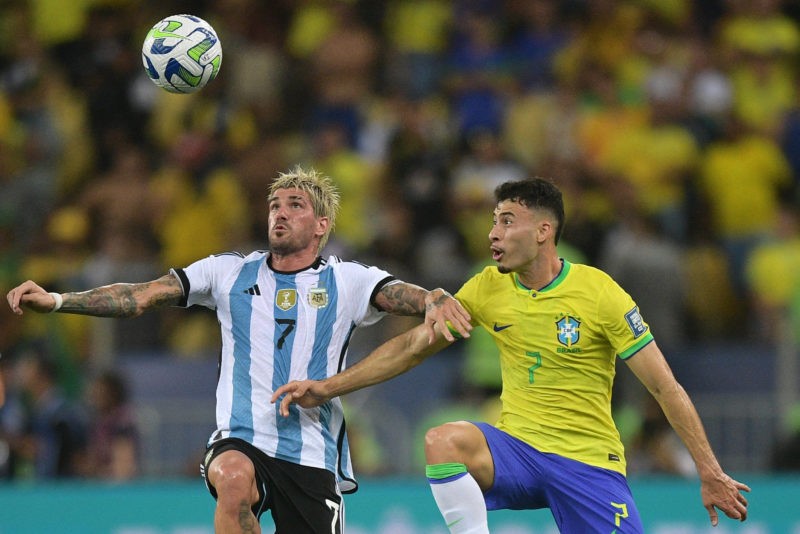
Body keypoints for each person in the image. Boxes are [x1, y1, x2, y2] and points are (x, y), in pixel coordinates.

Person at [7, 166, 472, 534]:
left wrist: (432, 298)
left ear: (322, 224)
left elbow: (404, 296)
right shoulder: (228, 272)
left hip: (312, 455)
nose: (279, 212)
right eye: (274, 204)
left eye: (295, 204)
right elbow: (142, 296)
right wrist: (59, 301)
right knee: (232, 480)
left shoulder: (347, 281)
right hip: (242, 439)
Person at [272, 177, 751, 532]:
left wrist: (709, 472)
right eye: (492, 221)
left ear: (544, 231)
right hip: (518, 452)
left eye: (506, 221)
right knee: (444, 442)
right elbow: (414, 346)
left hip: (588, 463)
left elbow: (665, 387)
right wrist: (328, 387)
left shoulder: (599, 293)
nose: (493, 234)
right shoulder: (487, 286)